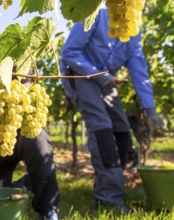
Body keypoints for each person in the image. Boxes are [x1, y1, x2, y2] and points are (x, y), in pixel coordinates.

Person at [60, 7, 163, 213]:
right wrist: (97, 74)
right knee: (102, 129)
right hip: (80, 76)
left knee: (122, 129)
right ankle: (108, 198)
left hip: (105, 82)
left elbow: (139, 71)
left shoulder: (133, 32)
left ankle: (109, 182)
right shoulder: (95, 14)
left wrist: (150, 108)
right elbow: (69, 52)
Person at [0, 103, 60, 220]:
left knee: (41, 153)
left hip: (26, 131)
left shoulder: (24, 85)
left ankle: (47, 211)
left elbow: (30, 88)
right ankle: (28, 183)